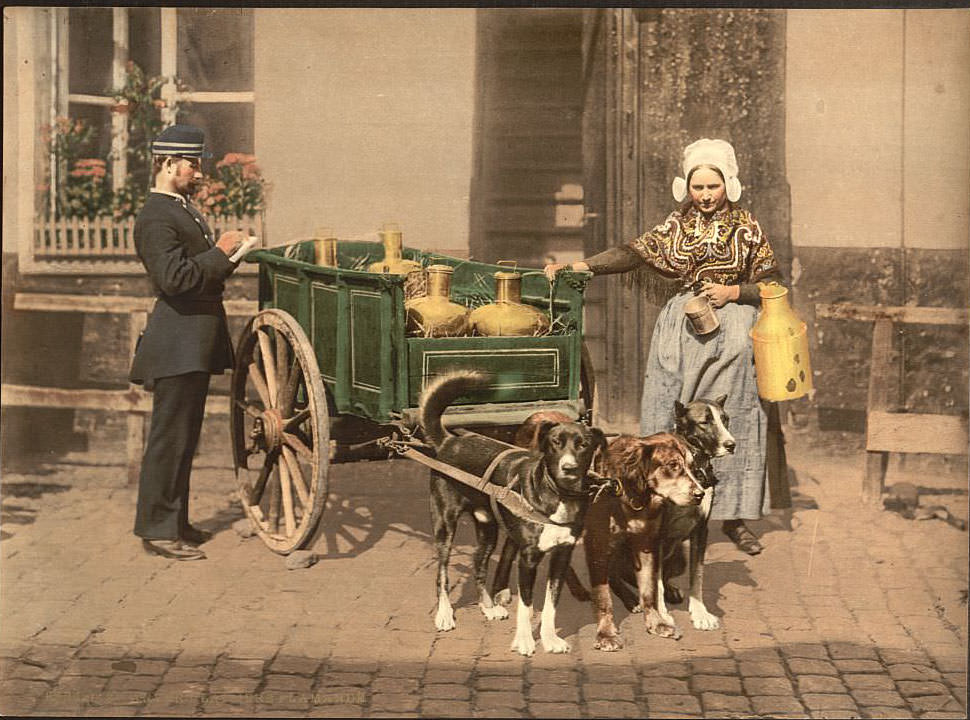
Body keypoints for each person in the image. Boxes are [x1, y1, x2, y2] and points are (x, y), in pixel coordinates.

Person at [545, 138, 787, 555]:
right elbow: (632, 252)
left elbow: (774, 283)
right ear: (687, 188)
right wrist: (581, 265)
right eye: (699, 188)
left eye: (713, 187)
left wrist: (734, 291)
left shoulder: (748, 229)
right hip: (681, 331)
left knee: (732, 423)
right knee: (670, 415)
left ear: (728, 184)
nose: (706, 196)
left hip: (734, 338)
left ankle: (733, 516)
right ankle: (666, 512)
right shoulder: (675, 227)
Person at [129, 124, 246, 561]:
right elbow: (175, 279)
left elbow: (200, 276)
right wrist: (220, 252)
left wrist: (229, 255)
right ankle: (157, 530)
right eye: (191, 165)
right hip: (176, 342)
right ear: (167, 164)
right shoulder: (156, 215)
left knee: (183, 438)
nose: (198, 173)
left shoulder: (180, 208)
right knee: (169, 438)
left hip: (192, 342)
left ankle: (174, 521)